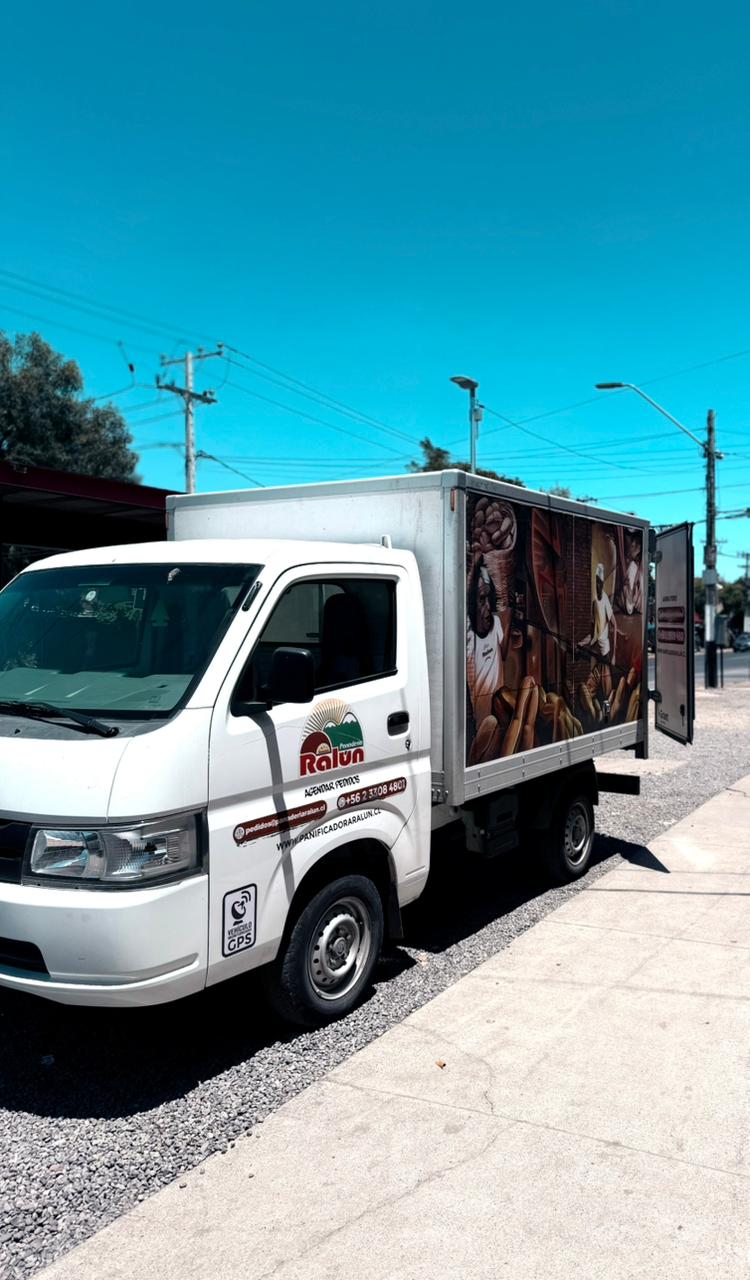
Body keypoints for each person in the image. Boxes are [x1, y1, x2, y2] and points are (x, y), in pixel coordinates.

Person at [466, 555, 512, 726]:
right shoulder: (468, 636)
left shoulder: (496, 623)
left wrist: (506, 607)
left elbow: (504, 653)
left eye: (489, 598)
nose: (488, 606)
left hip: (501, 717)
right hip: (482, 726)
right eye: (481, 599)